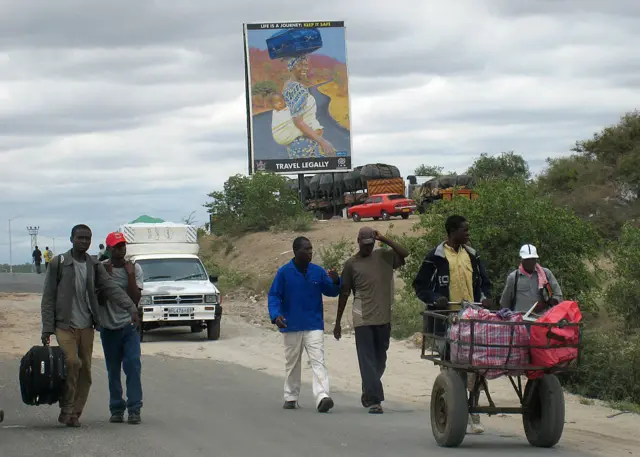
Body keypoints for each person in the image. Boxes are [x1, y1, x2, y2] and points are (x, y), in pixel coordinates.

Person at [40, 224, 138, 427]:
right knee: (72, 362)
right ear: (71, 239)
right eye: (80, 238)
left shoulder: (94, 265)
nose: (84, 241)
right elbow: (48, 297)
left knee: (85, 372)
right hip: (64, 324)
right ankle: (67, 407)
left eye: (87, 238)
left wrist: (131, 308)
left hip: (87, 325)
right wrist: (47, 327)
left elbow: (111, 288)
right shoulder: (59, 263)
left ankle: (74, 413)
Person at [412, 215, 493, 434]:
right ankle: (455, 415)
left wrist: (485, 297)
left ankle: (474, 414)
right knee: (452, 369)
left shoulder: (472, 256)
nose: (468, 234)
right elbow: (419, 285)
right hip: (447, 321)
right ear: (452, 232)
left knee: (476, 369)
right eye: (464, 230)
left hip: (473, 321)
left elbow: (485, 283)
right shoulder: (435, 257)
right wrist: (434, 298)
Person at [333, 227, 409, 414]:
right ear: (358, 241)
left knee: (380, 359)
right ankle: (375, 400)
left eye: (371, 244)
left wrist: (384, 238)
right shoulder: (352, 264)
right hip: (363, 318)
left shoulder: (384, 256)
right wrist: (337, 323)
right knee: (367, 360)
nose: (368, 247)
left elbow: (405, 253)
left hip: (384, 316)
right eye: (364, 244)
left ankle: (368, 390)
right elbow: (344, 293)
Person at [268, 236, 341, 413]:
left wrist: (336, 281)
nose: (310, 252)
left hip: (313, 324)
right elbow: (274, 296)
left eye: (311, 249)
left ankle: (322, 396)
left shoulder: (318, 272)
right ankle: (291, 396)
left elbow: (331, 291)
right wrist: (276, 315)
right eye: (306, 249)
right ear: (296, 251)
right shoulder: (284, 273)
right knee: (292, 362)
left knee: (318, 361)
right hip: (291, 324)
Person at [98, 232, 144, 424]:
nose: (121, 249)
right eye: (116, 246)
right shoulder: (100, 269)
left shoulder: (134, 268)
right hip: (108, 326)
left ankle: (134, 409)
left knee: (133, 365)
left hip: (128, 325)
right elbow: (99, 300)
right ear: (109, 249)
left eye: (123, 245)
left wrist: (130, 275)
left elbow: (135, 299)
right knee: (113, 369)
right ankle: (116, 408)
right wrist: (107, 278)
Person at [282, 55, 336, 159]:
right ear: (291, 67)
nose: (304, 68)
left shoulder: (288, 85)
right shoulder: (296, 88)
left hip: (301, 143)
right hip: (303, 144)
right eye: (299, 65)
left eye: (306, 65)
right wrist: (323, 142)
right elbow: (298, 121)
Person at [500, 244, 563, 313]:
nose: (530, 262)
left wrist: (547, 303)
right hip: (520, 320)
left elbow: (558, 296)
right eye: (527, 259)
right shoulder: (513, 277)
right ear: (521, 259)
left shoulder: (546, 274)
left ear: (536, 259)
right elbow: (505, 303)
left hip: (542, 320)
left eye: (533, 259)